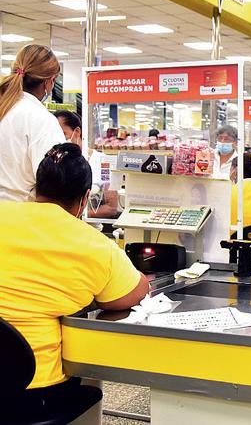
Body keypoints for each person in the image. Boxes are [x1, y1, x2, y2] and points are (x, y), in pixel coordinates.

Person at [0, 143, 149, 406]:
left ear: (36, 186)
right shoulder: (94, 244)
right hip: (33, 388)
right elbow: (134, 294)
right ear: (84, 198)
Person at [0, 44, 65, 201]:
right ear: (50, 82)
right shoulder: (41, 120)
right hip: (21, 217)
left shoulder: (5, 109)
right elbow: (53, 182)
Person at [55, 109, 119, 219]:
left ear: (77, 132)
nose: (58, 139)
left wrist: (80, 215)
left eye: (62, 133)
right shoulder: (55, 161)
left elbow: (111, 208)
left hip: (91, 230)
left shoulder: (102, 162)